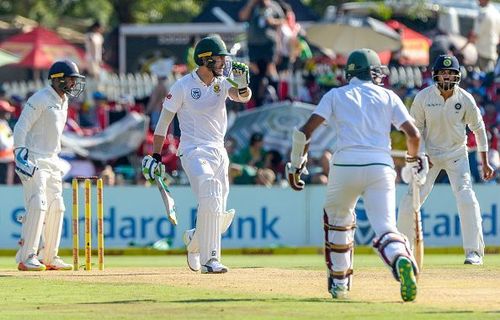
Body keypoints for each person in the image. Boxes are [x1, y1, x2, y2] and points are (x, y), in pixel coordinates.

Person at [286, 48, 426, 302]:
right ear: (373, 72)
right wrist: (413, 160)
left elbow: (304, 132)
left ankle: (339, 284)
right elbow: (414, 135)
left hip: (345, 166)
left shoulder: (336, 95)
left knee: (338, 220)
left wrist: (297, 165)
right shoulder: (388, 96)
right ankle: (400, 258)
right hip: (380, 166)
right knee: (386, 226)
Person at [141, 35, 252, 273]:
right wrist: (156, 156)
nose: (224, 63)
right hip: (193, 150)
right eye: (220, 59)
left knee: (218, 215)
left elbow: (242, 97)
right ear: (206, 60)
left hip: (219, 151)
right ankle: (210, 260)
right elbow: (163, 124)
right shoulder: (182, 86)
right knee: (210, 192)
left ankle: (194, 240)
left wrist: (243, 86)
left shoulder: (222, 82)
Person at [397, 55, 495, 266]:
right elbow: (415, 131)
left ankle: (474, 252)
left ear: (457, 75)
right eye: (443, 72)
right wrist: (420, 155)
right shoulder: (423, 97)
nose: (447, 76)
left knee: (467, 198)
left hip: (456, 155)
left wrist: (484, 161)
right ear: (436, 74)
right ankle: (401, 251)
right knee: (410, 200)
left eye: (451, 73)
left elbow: (479, 129)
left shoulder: (465, 99)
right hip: (429, 156)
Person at [13, 60, 86, 271]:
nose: (74, 83)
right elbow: (20, 127)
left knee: (57, 207)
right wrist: (20, 154)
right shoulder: (40, 98)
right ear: (58, 79)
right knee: (38, 204)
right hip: (34, 158)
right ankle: (27, 256)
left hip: (53, 160)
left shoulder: (63, 101)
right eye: (71, 79)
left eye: (75, 80)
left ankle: (49, 256)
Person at [464, 0, 500, 72]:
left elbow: (475, 35)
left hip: (484, 52)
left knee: (483, 78)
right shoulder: (496, 12)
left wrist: (463, 47)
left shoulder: (483, 13)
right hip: (493, 50)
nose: (478, 1)